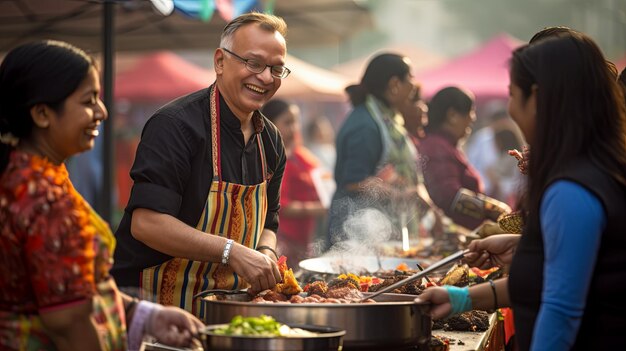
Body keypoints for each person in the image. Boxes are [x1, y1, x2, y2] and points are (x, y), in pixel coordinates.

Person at [416, 33, 626, 350]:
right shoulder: (597, 166)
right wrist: (461, 298)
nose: (510, 109)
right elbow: (554, 273)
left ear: (538, 100)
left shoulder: (573, 188)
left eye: (512, 95)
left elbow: (560, 309)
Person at [0, 40, 202, 351]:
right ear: (42, 114)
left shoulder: (27, 176)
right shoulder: (45, 201)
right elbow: (70, 325)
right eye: (88, 101)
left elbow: (66, 287)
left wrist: (145, 315)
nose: (102, 112)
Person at [111, 12, 288, 317]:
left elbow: (269, 222)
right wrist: (231, 251)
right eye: (254, 64)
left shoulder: (270, 140)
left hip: (225, 310)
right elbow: (147, 223)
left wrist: (265, 255)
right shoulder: (175, 126)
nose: (266, 78)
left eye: (276, 69)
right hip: (151, 305)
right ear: (220, 61)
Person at [327, 53, 425, 250]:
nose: (414, 86)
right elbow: (353, 182)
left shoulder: (386, 119)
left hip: (378, 232)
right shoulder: (366, 125)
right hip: (357, 235)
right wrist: (401, 194)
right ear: (395, 84)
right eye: (410, 79)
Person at [419, 86, 510, 230]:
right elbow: (448, 194)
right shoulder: (437, 147)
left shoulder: (445, 146)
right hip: (453, 235)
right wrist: (494, 210)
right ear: (452, 115)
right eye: (470, 113)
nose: (472, 120)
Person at [261, 99, 329, 264]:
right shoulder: (271, 160)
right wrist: (320, 208)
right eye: (287, 122)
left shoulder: (300, 155)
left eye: (296, 122)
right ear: (271, 124)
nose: (294, 128)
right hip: (281, 241)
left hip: (305, 240)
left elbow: (323, 177)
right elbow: (282, 206)